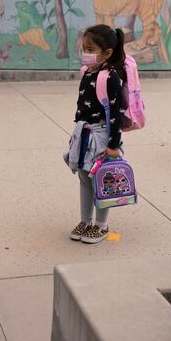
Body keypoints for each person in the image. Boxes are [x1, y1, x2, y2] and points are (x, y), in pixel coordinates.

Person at [64, 24, 126, 244]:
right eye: (84, 48)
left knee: (102, 179)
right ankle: (86, 220)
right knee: (83, 178)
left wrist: (113, 145)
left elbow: (116, 114)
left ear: (107, 52)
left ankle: (101, 225)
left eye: (90, 49)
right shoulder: (87, 72)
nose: (85, 54)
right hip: (84, 134)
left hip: (102, 136)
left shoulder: (110, 77)